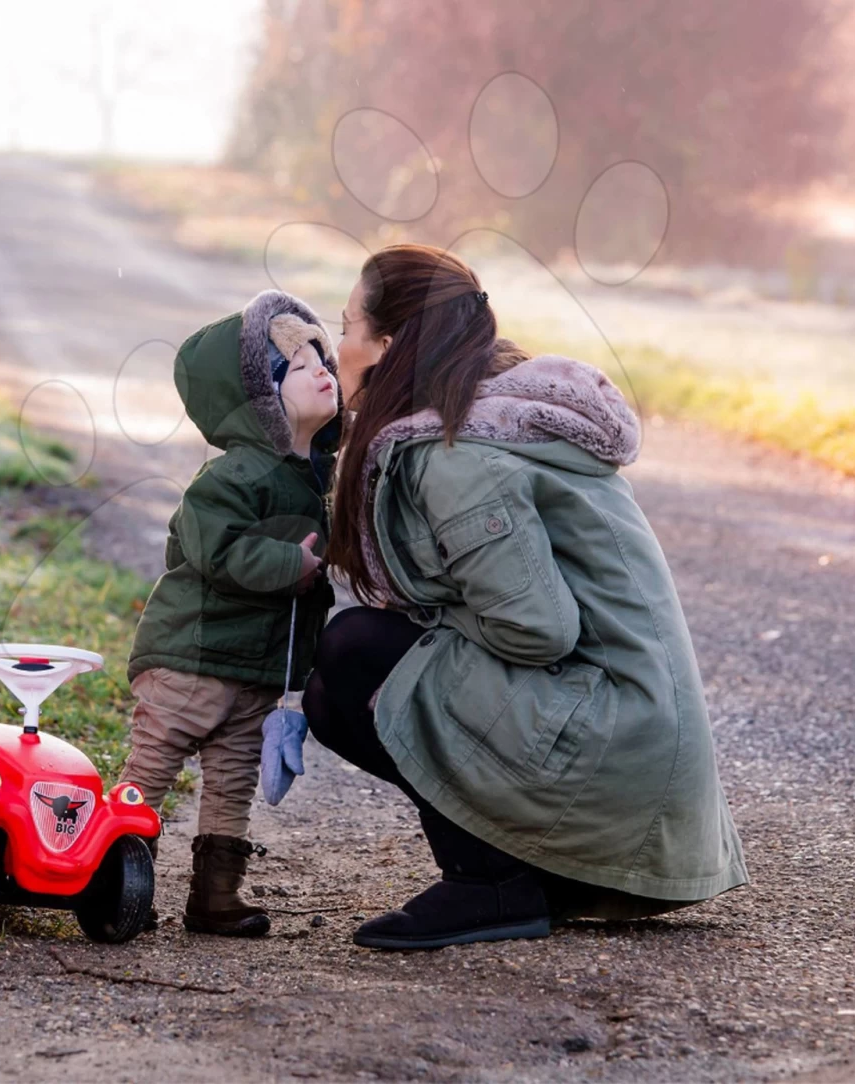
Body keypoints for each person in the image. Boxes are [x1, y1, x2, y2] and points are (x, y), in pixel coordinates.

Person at [306, 244, 749, 950]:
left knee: (355, 650)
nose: (341, 348)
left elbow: (537, 630)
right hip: (629, 744)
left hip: (618, 746)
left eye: (349, 327)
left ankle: (490, 884)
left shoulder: (457, 457)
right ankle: (533, 871)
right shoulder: (487, 417)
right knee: (336, 684)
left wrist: (414, 618)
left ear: (388, 346)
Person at [119, 289, 340, 937]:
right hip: (192, 655)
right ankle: (114, 877)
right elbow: (215, 549)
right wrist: (289, 567)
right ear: (260, 398)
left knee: (232, 781)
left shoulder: (317, 477)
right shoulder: (233, 476)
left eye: (322, 356)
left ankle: (215, 897)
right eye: (298, 367)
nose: (322, 369)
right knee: (151, 770)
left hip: (253, 668)